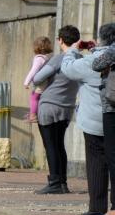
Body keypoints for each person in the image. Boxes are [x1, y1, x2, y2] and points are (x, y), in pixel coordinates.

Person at [61, 28, 110, 215]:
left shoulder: (92, 61)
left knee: (96, 163)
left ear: (101, 39)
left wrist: (73, 49)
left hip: (94, 121)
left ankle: (97, 207)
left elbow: (68, 68)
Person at [32, 25, 81, 194]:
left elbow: (37, 78)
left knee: (50, 145)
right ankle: (62, 183)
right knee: (59, 145)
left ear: (60, 40)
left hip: (49, 106)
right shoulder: (80, 60)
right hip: (67, 107)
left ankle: (54, 183)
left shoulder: (59, 59)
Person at [91, 26, 115, 215]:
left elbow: (96, 64)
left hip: (112, 108)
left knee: (112, 156)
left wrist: (99, 49)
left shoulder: (113, 49)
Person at [24, 36, 53, 123]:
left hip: (41, 83)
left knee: (34, 97)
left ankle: (33, 115)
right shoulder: (46, 58)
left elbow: (33, 70)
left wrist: (26, 82)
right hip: (45, 82)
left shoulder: (39, 59)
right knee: (37, 97)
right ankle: (33, 113)